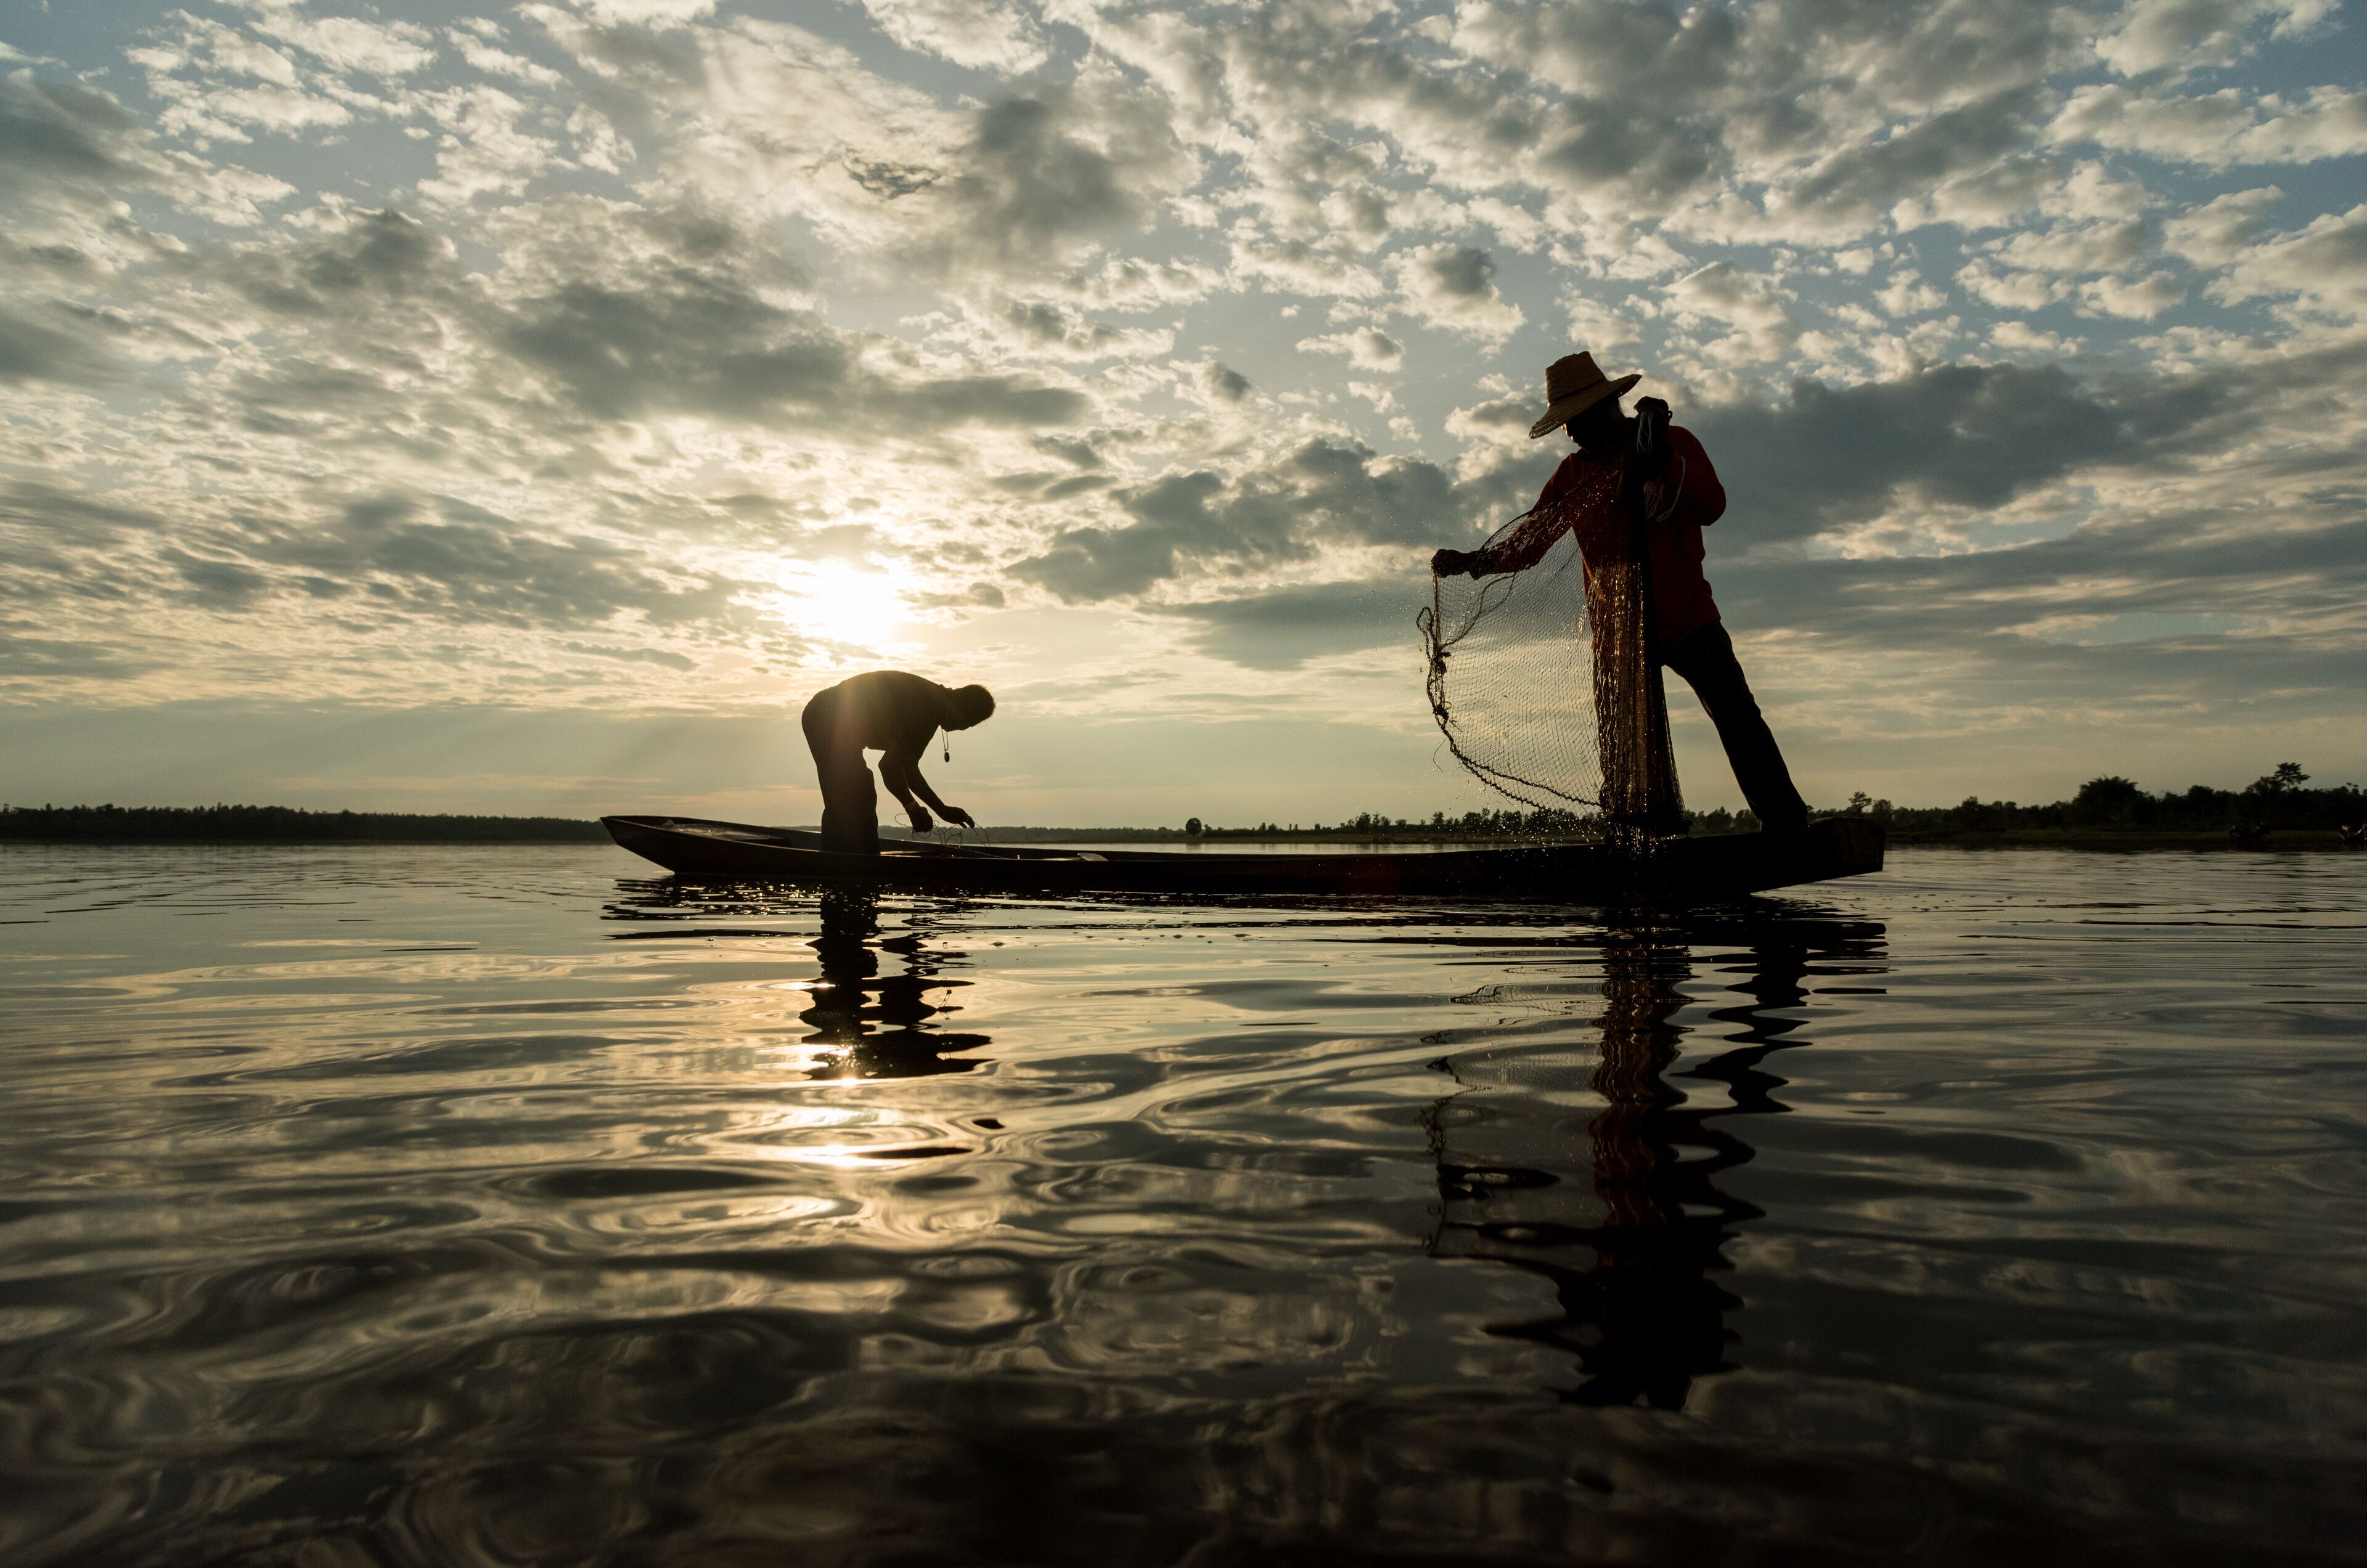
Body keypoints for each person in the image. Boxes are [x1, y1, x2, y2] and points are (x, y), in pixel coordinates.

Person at [1432, 351, 1809, 835]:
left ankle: (1786, 827)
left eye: (1576, 421)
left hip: (1688, 619)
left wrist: (1663, 462)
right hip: (1619, 638)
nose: (1571, 434)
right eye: (1565, 425)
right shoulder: (1573, 474)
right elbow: (1530, 543)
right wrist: (1473, 562)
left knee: (1738, 717)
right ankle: (1636, 837)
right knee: (1623, 747)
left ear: (1606, 408)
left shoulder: (1671, 442)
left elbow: (1712, 505)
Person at [799, 671, 995, 854]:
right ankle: (859, 868)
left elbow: (908, 768)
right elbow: (889, 767)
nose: (962, 729)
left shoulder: (932, 703)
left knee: (843, 801)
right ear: (963, 710)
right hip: (827, 715)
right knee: (859, 792)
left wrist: (941, 810)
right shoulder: (926, 710)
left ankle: (835, 866)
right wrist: (912, 808)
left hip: (821, 711)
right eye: (968, 724)